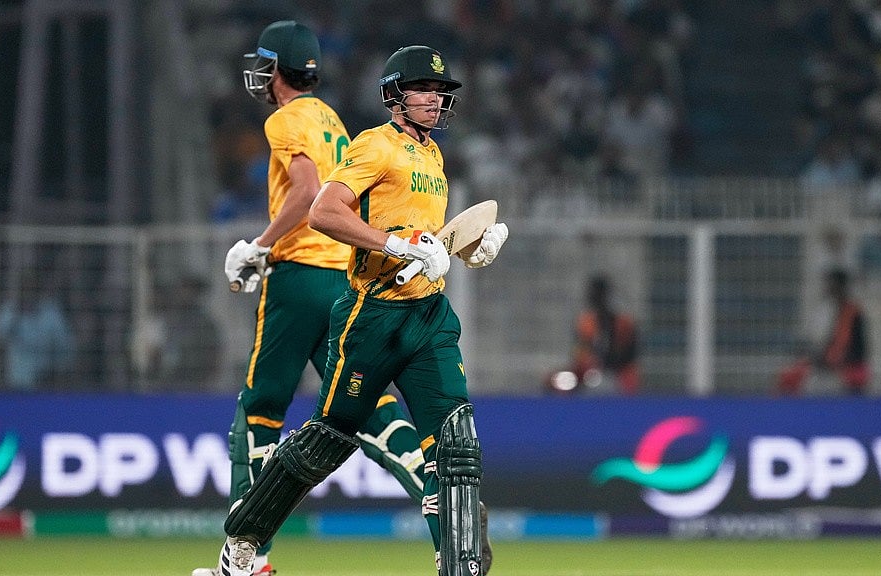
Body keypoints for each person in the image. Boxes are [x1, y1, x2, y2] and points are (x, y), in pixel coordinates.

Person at [218, 45, 507, 576]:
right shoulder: (375, 146)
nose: (436, 100)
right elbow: (324, 212)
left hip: (427, 316)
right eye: (425, 89)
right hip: (371, 316)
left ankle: (461, 566)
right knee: (328, 437)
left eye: (441, 92)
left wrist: (472, 248)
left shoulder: (433, 156)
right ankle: (247, 533)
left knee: (457, 443)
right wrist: (393, 246)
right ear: (394, 95)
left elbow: (428, 240)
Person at [777, 268, 869, 396]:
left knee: (819, 381)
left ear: (841, 286)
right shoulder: (827, 309)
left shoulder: (853, 312)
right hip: (827, 361)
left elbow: (858, 348)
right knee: (788, 375)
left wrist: (836, 362)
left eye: (832, 284)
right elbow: (827, 342)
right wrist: (819, 358)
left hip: (846, 365)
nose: (829, 287)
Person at [571, 274, 640, 395]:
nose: (594, 298)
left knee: (629, 378)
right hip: (590, 372)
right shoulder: (585, 323)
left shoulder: (623, 323)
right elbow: (579, 350)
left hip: (619, 371)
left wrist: (612, 363)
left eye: (597, 294)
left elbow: (631, 351)